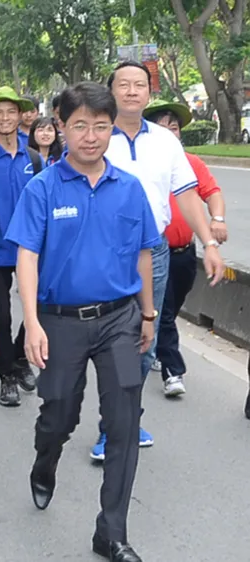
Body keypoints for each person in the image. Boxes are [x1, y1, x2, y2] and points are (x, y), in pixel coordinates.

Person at [6, 82, 158, 562]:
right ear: (61, 127)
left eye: (100, 126)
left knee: (123, 422)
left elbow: (143, 255)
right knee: (59, 414)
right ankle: (45, 461)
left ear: (112, 128)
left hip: (120, 320)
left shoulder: (129, 188)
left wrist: (148, 314)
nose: (90, 137)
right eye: (79, 126)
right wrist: (31, 323)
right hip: (61, 322)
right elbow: (27, 258)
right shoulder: (43, 188)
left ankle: (111, 532)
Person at [92, 61, 225, 460]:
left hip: (155, 253)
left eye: (140, 84)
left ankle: (125, 422)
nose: (132, 91)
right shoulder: (96, 135)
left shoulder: (166, 142)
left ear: (149, 93)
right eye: (124, 84)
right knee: (109, 341)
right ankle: (111, 425)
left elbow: (187, 195)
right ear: (111, 91)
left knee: (144, 340)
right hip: (104, 253)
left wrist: (209, 243)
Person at [142, 99, 227, 397]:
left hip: (184, 253)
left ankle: (152, 345)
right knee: (163, 312)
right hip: (153, 253)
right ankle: (173, 371)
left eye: (174, 128)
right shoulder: (140, 162)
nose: (169, 133)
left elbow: (212, 193)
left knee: (170, 308)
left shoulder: (191, 163)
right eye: (161, 127)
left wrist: (217, 220)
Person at [0, 86, 41, 407]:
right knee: (1, 316)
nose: (5, 118)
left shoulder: (34, 158)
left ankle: (19, 356)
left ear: (19, 116)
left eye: (10, 112)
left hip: (31, 248)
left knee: (39, 307)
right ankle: (7, 376)